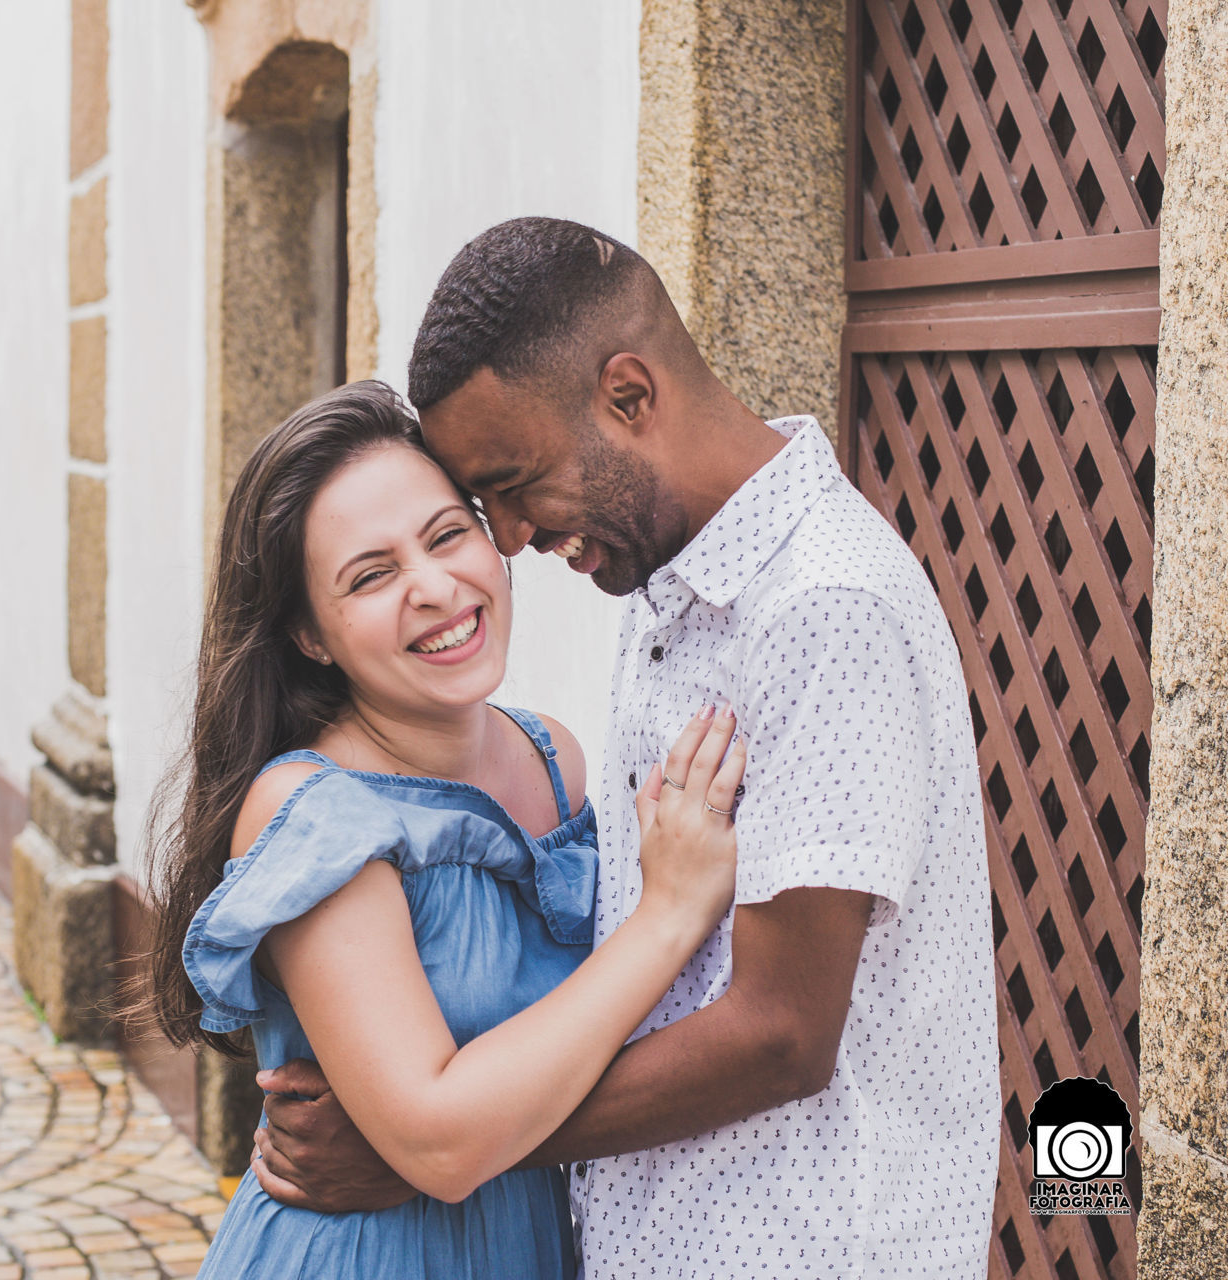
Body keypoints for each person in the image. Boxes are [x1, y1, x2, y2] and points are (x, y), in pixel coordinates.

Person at [250, 219, 999, 1277]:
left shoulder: (823, 605)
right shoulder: (664, 588)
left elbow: (782, 1031)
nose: (506, 536)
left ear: (629, 395)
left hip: (806, 1245)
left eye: (513, 481)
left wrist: (438, 1150)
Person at [141, 381, 747, 1277]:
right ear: (311, 633)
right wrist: (668, 915)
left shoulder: (556, 764)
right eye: (371, 575)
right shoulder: (316, 813)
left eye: (446, 535)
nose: (433, 587)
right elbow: (441, 1143)